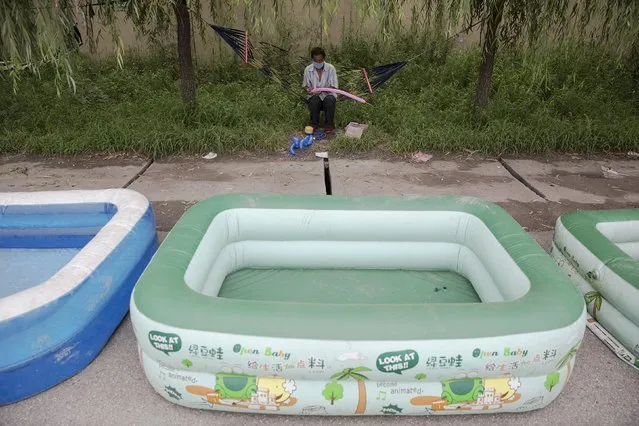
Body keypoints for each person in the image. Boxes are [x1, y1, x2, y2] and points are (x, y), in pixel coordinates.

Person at [302, 47, 338, 133]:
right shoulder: (308, 69)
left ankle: (329, 125)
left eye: (320, 60)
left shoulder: (331, 68)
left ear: (324, 59)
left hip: (328, 96)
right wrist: (309, 90)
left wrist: (323, 90)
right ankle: (314, 124)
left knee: (330, 99)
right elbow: (305, 86)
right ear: (312, 60)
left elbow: (334, 87)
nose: (318, 63)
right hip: (314, 97)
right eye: (316, 61)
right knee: (314, 100)